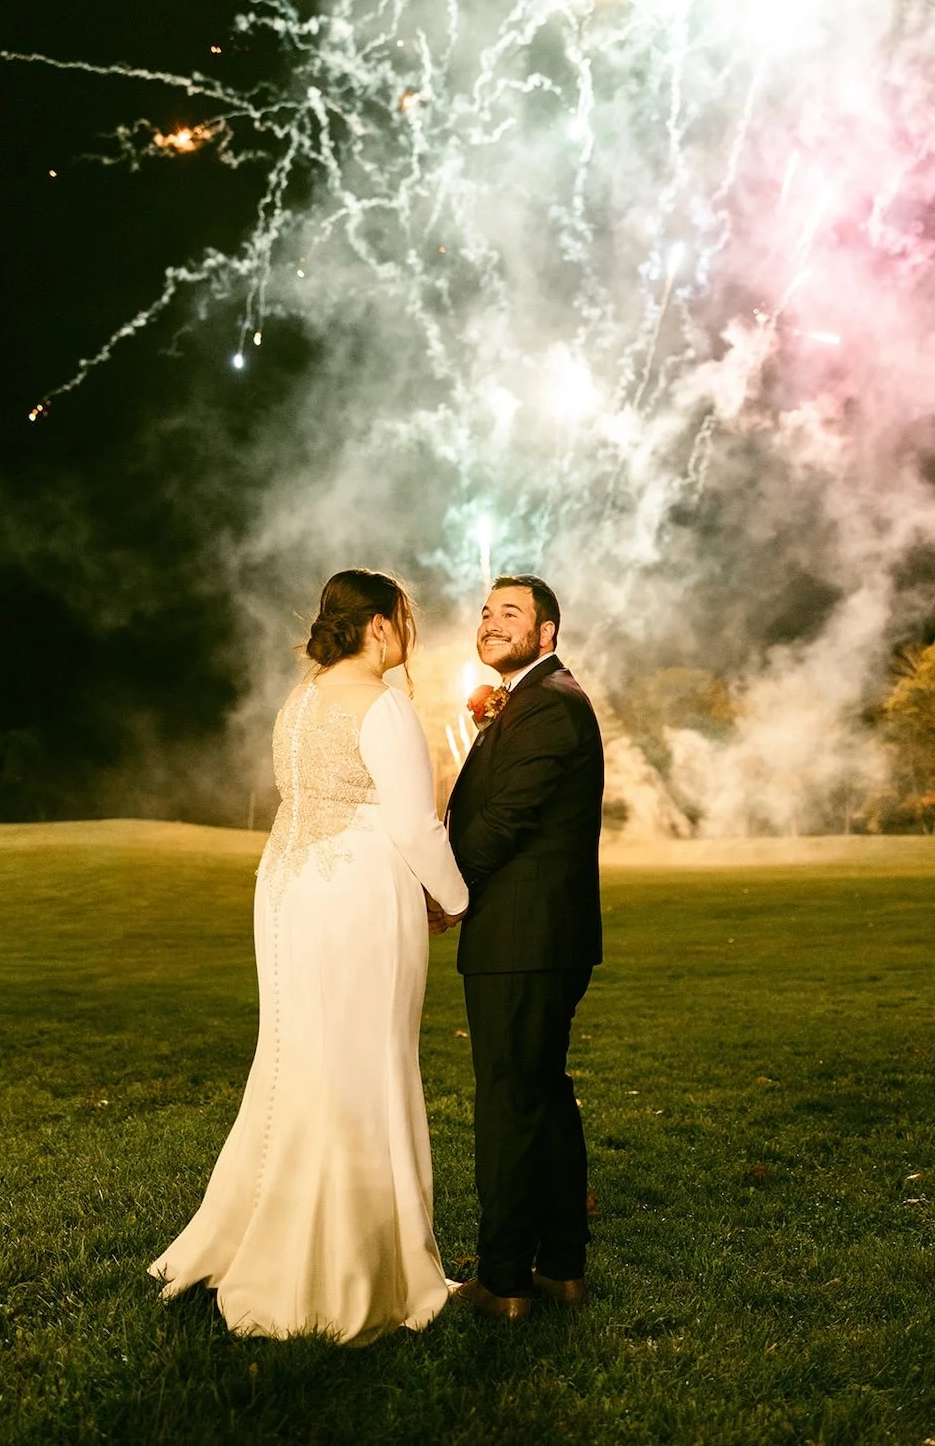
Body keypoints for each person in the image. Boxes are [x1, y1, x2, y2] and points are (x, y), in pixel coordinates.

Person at [149, 569, 468, 1346]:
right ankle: (354, 1263)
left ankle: (271, 1230)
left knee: (300, 1058)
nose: (409, 632)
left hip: (288, 888)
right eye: (405, 618)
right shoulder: (383, 705)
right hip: (357, 894)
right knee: (365, 1062)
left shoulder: (301, 699)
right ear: (381, 625)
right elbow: (415, 825)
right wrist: (458, 898)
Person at [441, 575, 604, 1320]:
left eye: (510, 612)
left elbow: (506, 819)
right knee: (542, 1095)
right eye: (485, 612)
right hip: (538, 934)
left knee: (508, 1103)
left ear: (547, 634)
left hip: (522, 936)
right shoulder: (530, 699)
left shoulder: (550, 704)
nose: (491, 622)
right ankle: (562, 1266)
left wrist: (443, 891)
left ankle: (504, 1279)